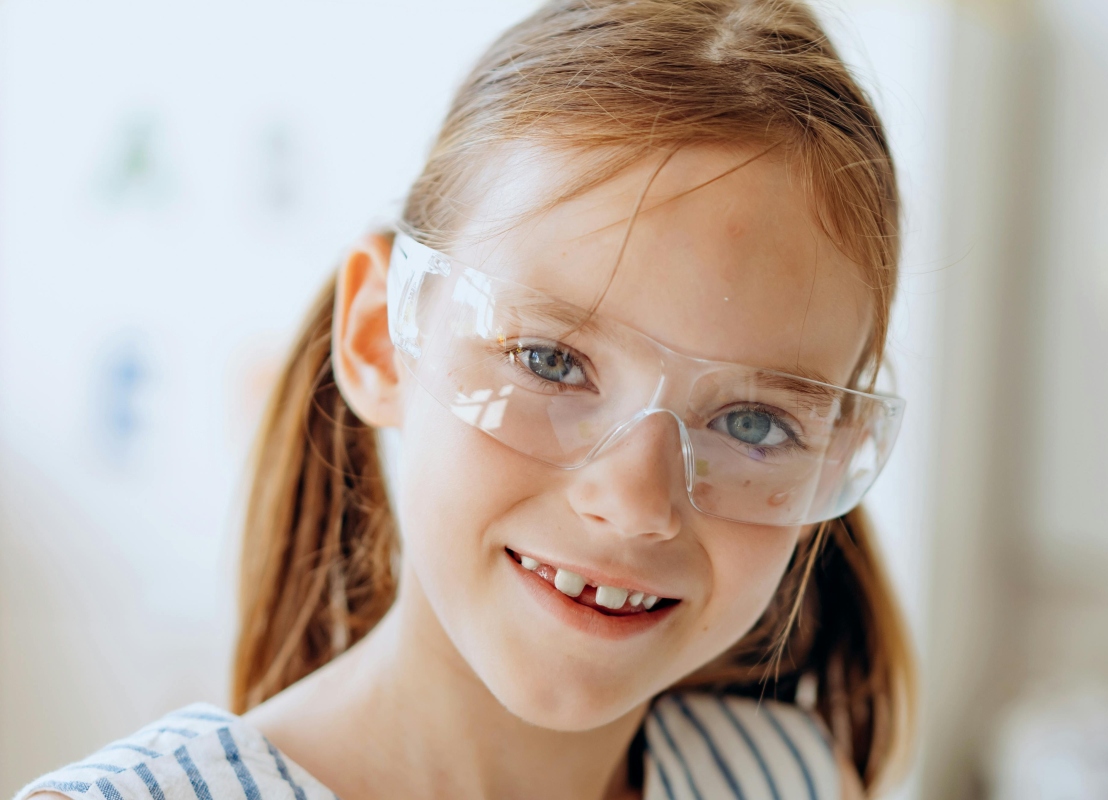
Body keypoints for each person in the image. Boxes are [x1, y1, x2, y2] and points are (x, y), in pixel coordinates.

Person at [18, 0, 915, 797]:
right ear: (379, 335)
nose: (636, 503)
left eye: (754, 422)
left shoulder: (792, 780)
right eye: (550, 361)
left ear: (832, 457)